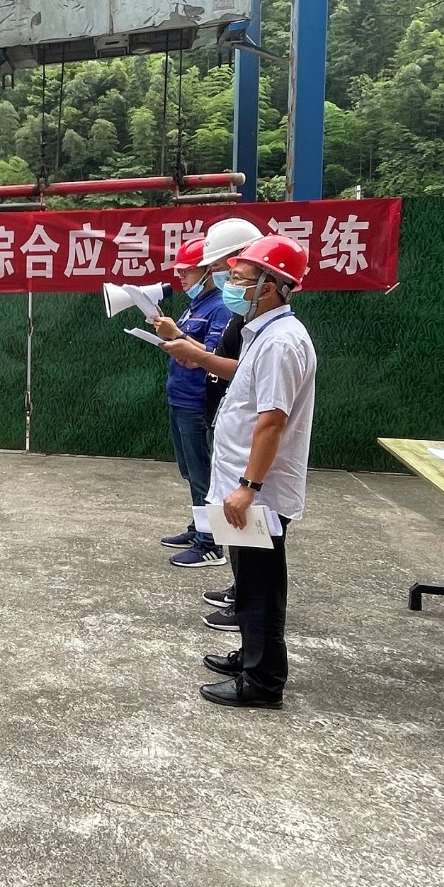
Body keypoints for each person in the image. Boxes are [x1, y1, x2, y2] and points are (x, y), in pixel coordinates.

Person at [196, 234, 316, 709]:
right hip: (242, 484)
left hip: (256, 491)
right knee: (247, 580)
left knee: (261, 585)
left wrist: (248, 487)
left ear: (268, 287)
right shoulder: (263, 334)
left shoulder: (281, 343)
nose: (229, 284)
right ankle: (250, 656)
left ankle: (263, 681)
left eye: (239, 278)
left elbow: (272, 421)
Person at [158, 217, 263, 631]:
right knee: (200, 478)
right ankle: (240, 590)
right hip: (211, 412)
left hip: (220, 420)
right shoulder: (243, 318)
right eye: (226, 270)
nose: (228, 279)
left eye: (234, 271)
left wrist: (251, 483)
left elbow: (269, 412)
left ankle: (222, 564)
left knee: (230, 503)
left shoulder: (270, 330)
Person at [149, 237, 233, 572]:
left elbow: (211, 356)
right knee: (191, 471)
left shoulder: (220, 306)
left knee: (202, 475)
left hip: (199, 401)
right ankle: (200, 528)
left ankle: (211, 544)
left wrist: (177, 337)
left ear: (209, 270)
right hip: (182, 397)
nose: (180, 276)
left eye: (187, 270)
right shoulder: (197, 305)